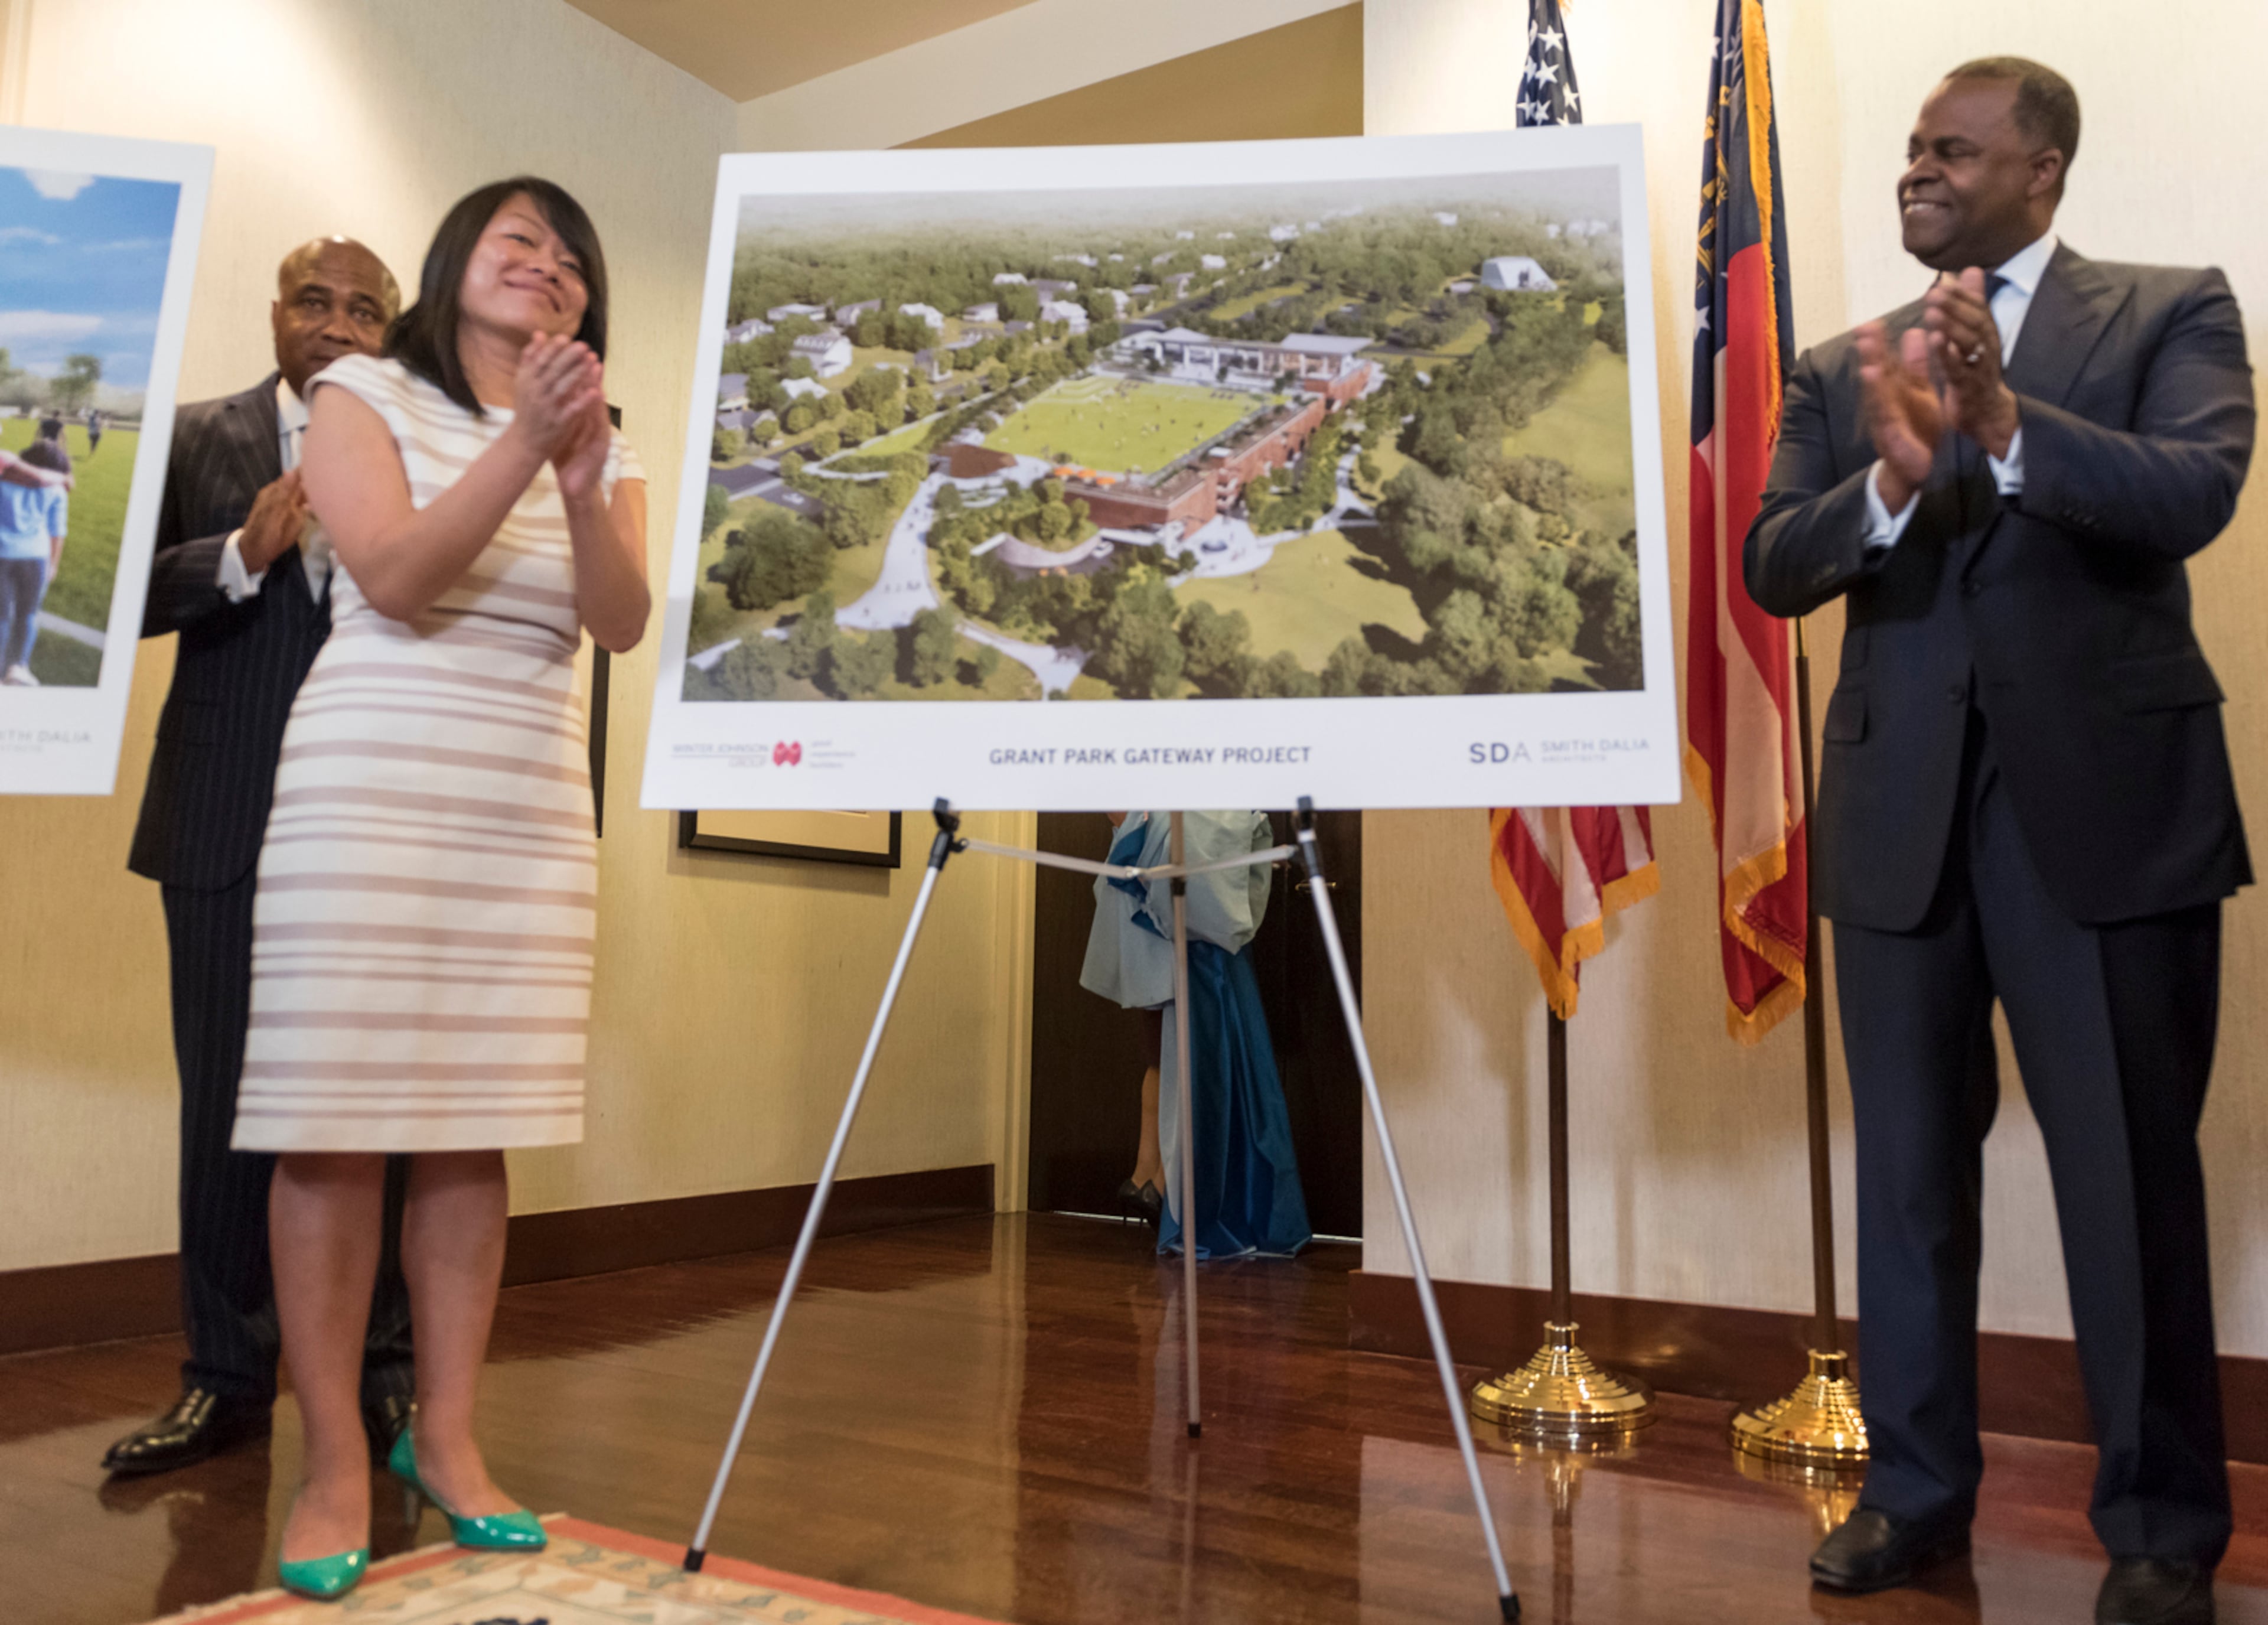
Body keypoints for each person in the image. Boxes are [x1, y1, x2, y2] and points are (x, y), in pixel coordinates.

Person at [1745, 58, 2253, 1625]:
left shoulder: (2171, 309)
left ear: (2042, 170)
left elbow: (2197, 488)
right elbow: (1772, 557)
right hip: (1901, 823)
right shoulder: (1846, 366)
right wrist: (1890, 487)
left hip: (2102, 817)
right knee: (1905, 1178)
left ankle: (2162, 1519)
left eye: (1952, 150)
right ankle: (1912, 1490)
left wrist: (2013, 424)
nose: (1917, 169)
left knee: (2126, 1177)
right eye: (1908, 149)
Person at [245, 176, 648, 1601]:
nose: (545, 263)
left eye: (568, 255)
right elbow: (399, 576)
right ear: (454, 266)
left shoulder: (602, 437)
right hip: (369, 787)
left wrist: (584, 476)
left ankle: (453, 1445)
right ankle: (335, 1459)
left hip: (524, 803)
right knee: (334, 1124)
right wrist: (524, 449)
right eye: (516, 238)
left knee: (477, 1131)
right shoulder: (361, 389)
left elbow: (615, 621)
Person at [109, 237, 413, 1479]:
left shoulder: (418, 448)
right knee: (223, 1105)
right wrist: (236, 556)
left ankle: (389, 1379)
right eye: (315, 301)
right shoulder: (193, 438)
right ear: (276, 313)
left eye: (365, 309)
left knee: (381, 1107)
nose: (337, 325)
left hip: (377, 825)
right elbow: (112, 594)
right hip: (222, 814)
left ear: (389, 334)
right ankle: (225, 1379)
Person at [1081, 810, 1311, 1258]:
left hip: (1144, 899)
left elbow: (1121, 816)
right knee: (1193, 1055)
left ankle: (1149, 1173)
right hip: (1186, 920)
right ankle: (1169, 1186)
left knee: (1160, 1052)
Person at [0, 433, 68, 685]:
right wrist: (53, 564)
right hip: (36, 557)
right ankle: (18, 667)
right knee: (28, 614)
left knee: (1, 615)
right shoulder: (56, 489)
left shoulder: (4, 480)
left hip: (2, 554)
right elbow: (57, 532)